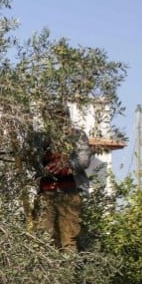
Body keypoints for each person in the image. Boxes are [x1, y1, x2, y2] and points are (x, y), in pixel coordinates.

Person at [33, 104, 91, 251]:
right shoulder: (43, 139)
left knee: (69, 239)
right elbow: (33, 159)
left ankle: (68, 272)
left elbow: (84, 160)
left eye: (59, 115)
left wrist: (66, 165)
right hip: (46, 194)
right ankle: (48, 272)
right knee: (44, 238)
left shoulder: (77, 136)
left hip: (69, 193)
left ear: (66, 117)